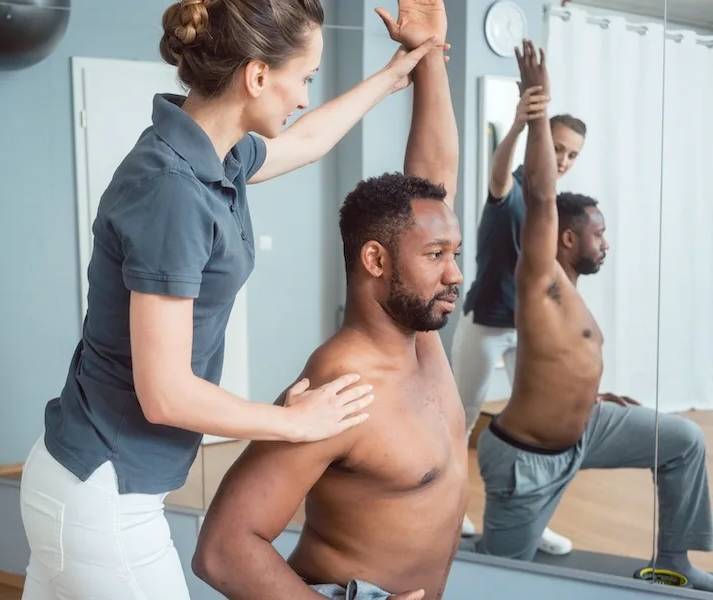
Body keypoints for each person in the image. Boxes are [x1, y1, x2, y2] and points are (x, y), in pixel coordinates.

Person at [17, 0, 446, 598]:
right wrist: (293, 423)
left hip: (85, 480)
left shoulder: (212, 154)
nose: (302, 97)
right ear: (257, 75)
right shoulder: (171, 190)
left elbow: (311, 140)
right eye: (305, 78)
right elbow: (164, 393)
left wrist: (394, 75)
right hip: (103, 494)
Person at [192, 4, 465, 599]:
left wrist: (429, 58)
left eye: (456, 253)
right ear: (376, 261)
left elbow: (434, 185)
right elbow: (222, 550)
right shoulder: (341, 389)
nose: (455, 274)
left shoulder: (419, 336)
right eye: (437, 255)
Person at [475, 40, 713, 590]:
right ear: (565, 237)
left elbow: (563, 361)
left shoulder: (572, 290)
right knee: (499, 577)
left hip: (586, 431)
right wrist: (537, 105)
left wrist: (595, 397)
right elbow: (538, 194)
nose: (607, 242)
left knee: (681, 441)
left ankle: (675, 560)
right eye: (598, 233)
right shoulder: (539, 279)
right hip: (527, 460)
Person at [450, 74, 586, 553]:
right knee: (461, 421)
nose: (564, 161)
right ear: (543, 142)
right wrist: (520, 124)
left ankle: (530, 519)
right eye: (560, 149)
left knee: (535, 428)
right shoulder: (508, 195)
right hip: (486, 323)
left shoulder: (555, 207)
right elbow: (499, 170)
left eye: (573, 155)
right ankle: (452, 510)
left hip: (529, 332)